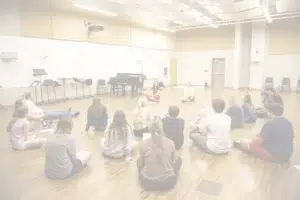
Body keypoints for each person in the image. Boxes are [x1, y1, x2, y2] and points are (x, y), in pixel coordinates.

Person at [137, 117, 182, 191]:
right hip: (168, 182)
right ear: (162, 129)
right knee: (179, 160)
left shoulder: (143, 144)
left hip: (148, 182)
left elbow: (142, 164)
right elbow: (173, 161)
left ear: (149, 130)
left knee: (138, 161)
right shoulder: (170, 143)